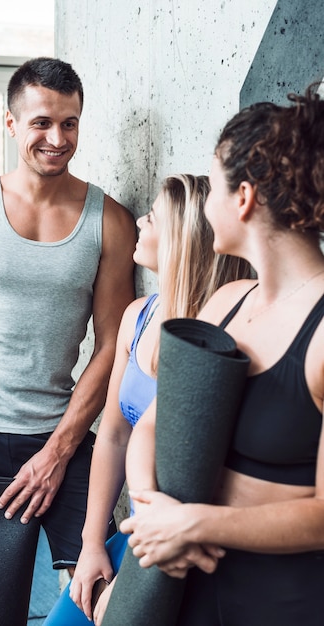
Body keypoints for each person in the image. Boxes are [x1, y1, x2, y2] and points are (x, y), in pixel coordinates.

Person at [0, 56, 136, 604]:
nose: (57, 138)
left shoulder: (109, 220)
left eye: (70, 122)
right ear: (11, 124)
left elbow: (114, 345)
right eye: (41, 123)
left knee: (111, 597)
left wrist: (59, 450)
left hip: (64, 434)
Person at [121, 86, 324, 625]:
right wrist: (150, 510)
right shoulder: (225, 303)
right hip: (183, 579)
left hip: (284, 600)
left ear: (244, 197)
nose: (205, 203)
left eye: (212, 185)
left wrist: (194, 526)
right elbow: (152, 427)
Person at [43, 174, 250, 625]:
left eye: (152, 217)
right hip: (133, 532)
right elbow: (115, 435)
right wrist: (92, 542)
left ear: (180, 239)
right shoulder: (138, 315)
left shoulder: (224, 337)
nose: (139, 220)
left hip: (183, 546)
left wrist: (134, 582)